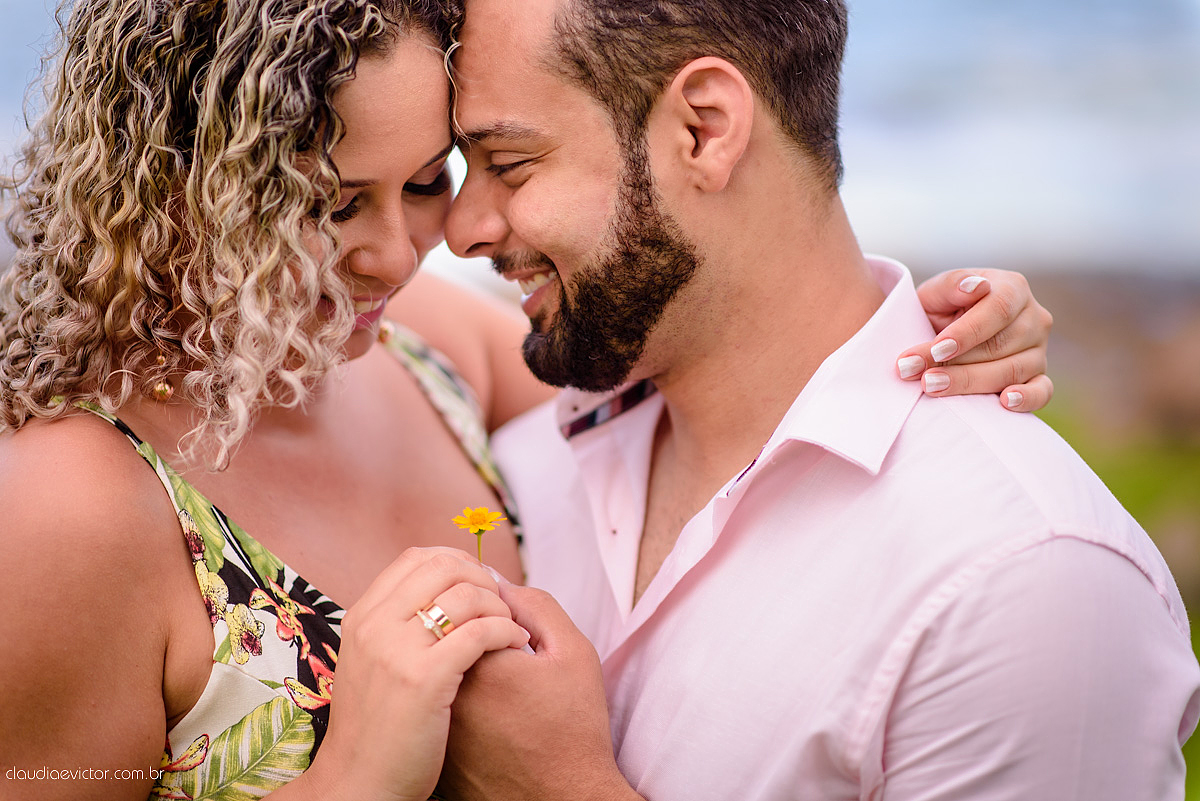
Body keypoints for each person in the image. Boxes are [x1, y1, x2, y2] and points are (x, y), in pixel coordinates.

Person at [0, 1, 1053, 800]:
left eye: (424, 181)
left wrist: (925, 331)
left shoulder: (437, 355)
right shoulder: (70, 513)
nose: (400, 253)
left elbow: (697, 330)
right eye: (324, 205)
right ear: (166, 189)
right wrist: (358, 772)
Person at [433, 0, 1200, 799]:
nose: (461, 228)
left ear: (703, 128)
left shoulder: (1024, 583)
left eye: (510, 162)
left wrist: (556, 786)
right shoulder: (523, 454)